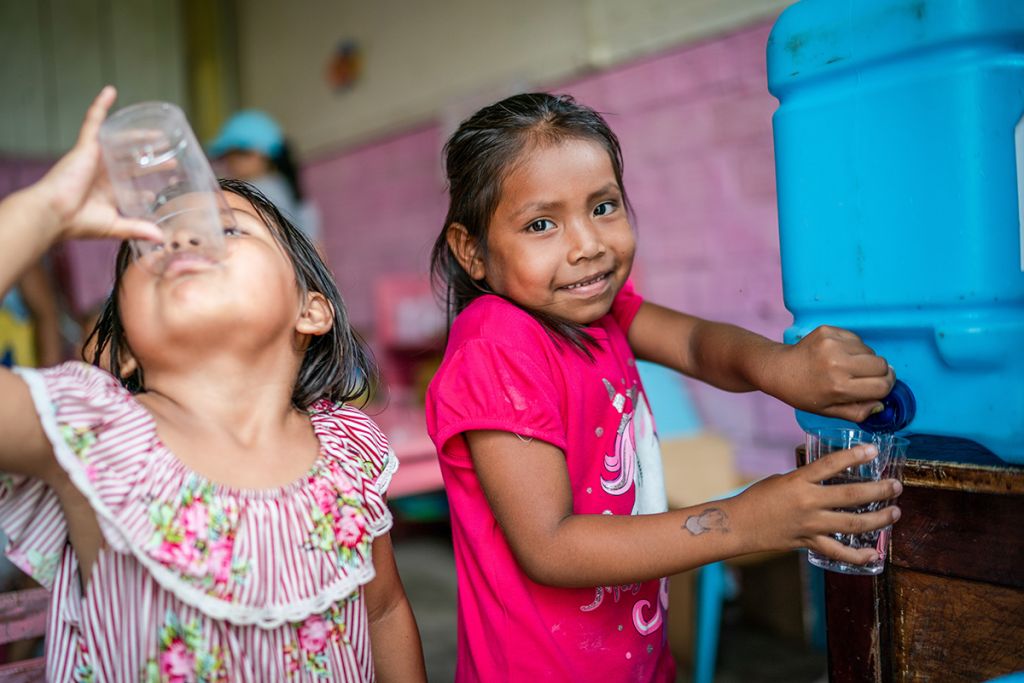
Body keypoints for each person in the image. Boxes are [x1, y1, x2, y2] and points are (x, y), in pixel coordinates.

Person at [425, 93, 903, 682]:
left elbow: (698, 344)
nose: (588, 245)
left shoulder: (597, 312)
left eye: (603, 207)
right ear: (471, 251)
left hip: (634, 658)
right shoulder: (497, 344)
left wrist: (782, 368)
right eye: (542, 224)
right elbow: (550, 546)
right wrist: (746, 521)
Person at [0, 87, 426, 682]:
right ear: (119, 348)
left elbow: (382, 612)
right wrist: (46, 211)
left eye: (225, 230)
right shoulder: (95, 435)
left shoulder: (346, 455)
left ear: (312, 310)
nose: (181, 241)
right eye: (150, 245)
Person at [209, 109, 322, 247]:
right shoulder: (285, 187)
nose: (228, 164)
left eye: (233, 156)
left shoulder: (256, 190)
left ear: (258, 154)